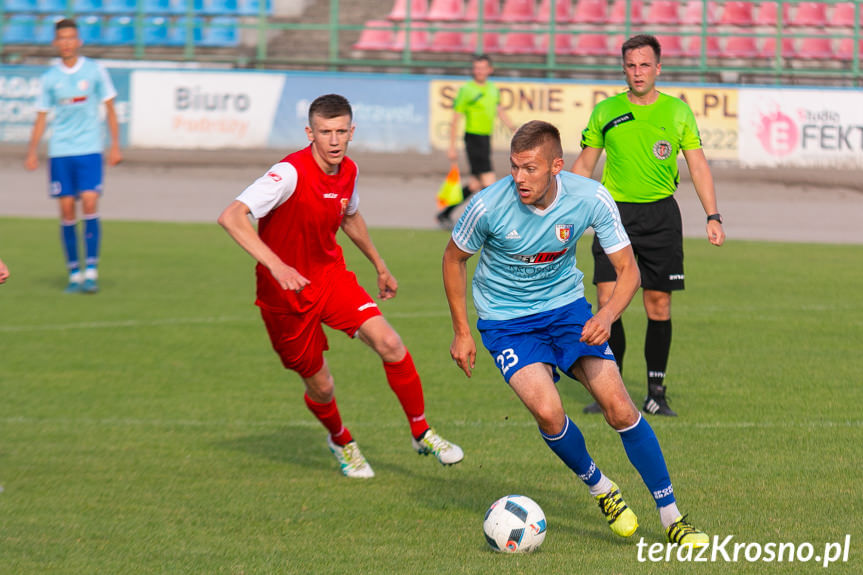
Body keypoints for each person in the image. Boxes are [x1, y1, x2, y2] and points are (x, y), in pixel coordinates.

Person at [443, 120, 707, 546]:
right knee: (548, 412)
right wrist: (461, 331)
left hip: (566, 312)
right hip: (506, 322)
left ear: (557, 167)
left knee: (619, 407)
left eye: (530, 168)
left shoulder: (590, 198)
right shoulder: (487, 206)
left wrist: (607, 316)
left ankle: (673, 517)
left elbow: (628, 271)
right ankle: (602, 488)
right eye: (514, 167)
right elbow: (453, 259)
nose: (519, 178)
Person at [218, 94, 463, 479]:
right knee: (322, 384)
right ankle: (341, 440)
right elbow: (231, 217)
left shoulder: (349, 170)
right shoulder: (288, 174)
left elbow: (349, 215)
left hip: (330, 277)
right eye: (324, 132)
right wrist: (277, 265)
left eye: (340, 132)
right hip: (284, 295)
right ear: (310, 133)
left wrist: (379, 265)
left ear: (352, 132)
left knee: (391, 343)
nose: (333, 140)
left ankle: (421, 432)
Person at [571, 34, 725, 417]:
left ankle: (656, 391)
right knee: (608, 303)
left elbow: (698, 165)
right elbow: (585, 165)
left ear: (659, 67)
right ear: (623, 68)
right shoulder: (606, 111)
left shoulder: (677, 112)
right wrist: (565, 210)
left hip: (660, 218)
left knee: (657, 305)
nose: (637, 72)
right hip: (612, 216)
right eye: (631, 65)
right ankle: (613, 384)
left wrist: (713, 215)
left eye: (644, 65)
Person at [24, 18, 122, 294]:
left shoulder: (94, 71)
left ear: (78, 41)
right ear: (56, 42)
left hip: (90, 148)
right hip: (61, 151)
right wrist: (32, 152)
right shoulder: (50, 78)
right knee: (67, 210)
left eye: (71, 37)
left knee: (90, 202)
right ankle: (73, 272)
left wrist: (115, 145)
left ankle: (91, 270)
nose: (66, 43)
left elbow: (111, 108)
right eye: (61, 38)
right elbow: (41, 117)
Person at [437, 54, 514, 230]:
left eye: (482, 68)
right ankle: (493, 221)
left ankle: (444, 214)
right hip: (473, 139)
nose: (478, 71)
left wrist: (513, 128)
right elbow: (455, 119)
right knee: (489, 182)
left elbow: (499, 109)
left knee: (475, 184)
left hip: (486, 139)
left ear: (490, 70)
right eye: (476, 68)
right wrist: (451, 147)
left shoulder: (493, 89)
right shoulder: (467, 90)